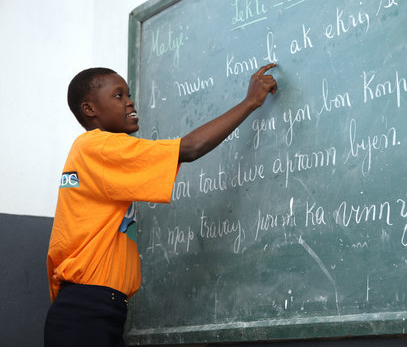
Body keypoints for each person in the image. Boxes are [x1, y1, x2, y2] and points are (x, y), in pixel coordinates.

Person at [44, 64, 277, 347]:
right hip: (87, 310)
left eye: (128, 94)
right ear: (90, 109)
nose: (130, 101)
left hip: (93, 308)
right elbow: (189, 148)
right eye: (118, 96)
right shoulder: (98, 146)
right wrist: (251, 102)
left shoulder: (94, 152)